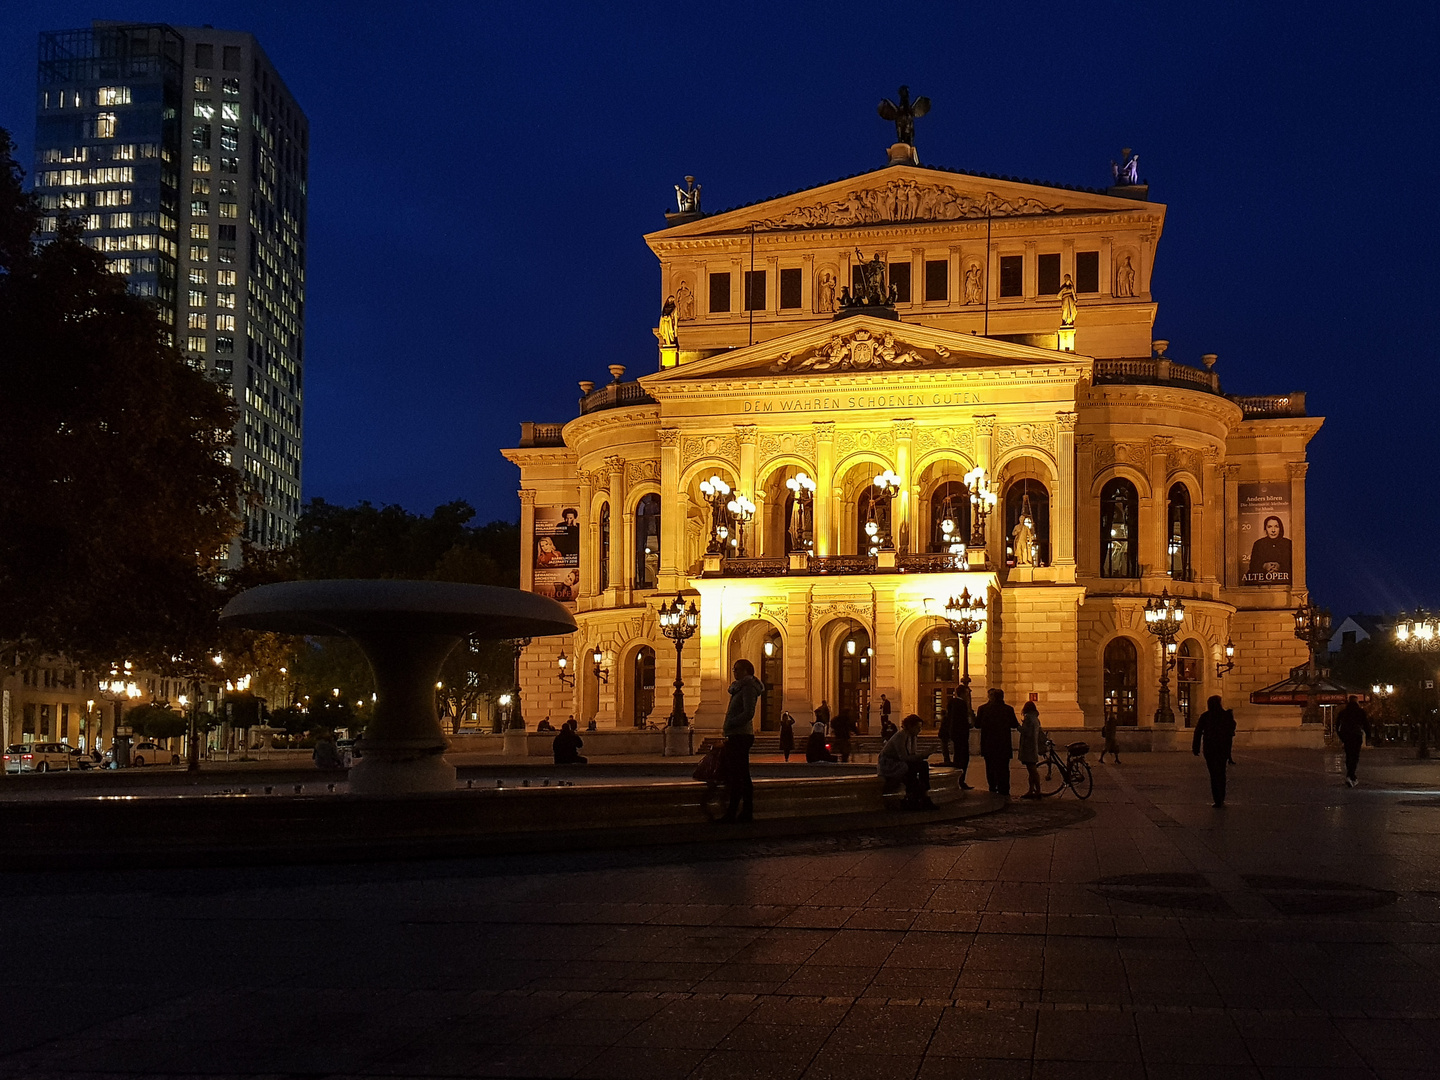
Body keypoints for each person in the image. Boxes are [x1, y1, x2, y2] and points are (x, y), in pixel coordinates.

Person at [718, 658, 764, 822]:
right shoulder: (740, 688)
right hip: (736, 734)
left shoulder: (748, 688)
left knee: (740, 775)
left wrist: (731, 722)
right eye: (734, 669)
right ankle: (741, 811)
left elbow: (748, 712)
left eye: (737, 669)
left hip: (741, 735)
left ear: (746, 671)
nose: (734, 672)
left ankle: (739, 812)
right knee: (739, 774)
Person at [879, 714, 935, 810]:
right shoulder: (901, 735)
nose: (919, 731)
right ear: (910, 726)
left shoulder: (912, 737)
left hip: (900, 762)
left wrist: (924, 755)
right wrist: (923, 755)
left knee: (922, 765)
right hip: (890, 764)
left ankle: (921, 796)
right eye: (917, 728)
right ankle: (920, 797)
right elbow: (904, 757)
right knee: (913, 770)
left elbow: (912, 755)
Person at [975, 687, 1021, 797]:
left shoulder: (983, 709)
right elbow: (1014, 724)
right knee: (1004, 768)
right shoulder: (1008, 709)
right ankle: (1004, 789)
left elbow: (977, 725)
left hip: (988, 744)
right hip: (1003, 744)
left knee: (990, 767)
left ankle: (992, 787)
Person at [1192, 695, 1237, 806]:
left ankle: (1217, 798)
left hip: (1210, 748)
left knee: (1213, 774)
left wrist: (1195, 747)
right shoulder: (1226, 715)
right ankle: (1221, 797)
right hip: (1223, 748)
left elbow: (1198, 732)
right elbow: (1231, 732)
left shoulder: (1206, 716)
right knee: (1221, 772)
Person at [1336, 695, 1372, 787]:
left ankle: (1350, 775)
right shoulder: (1360, 712)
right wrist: (1368, 736)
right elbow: (1366, 724)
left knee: (1348, 755)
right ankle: (1351, 775)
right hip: (1356, 735)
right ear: (1356, 702)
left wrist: (1341, 736)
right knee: (1355, 756)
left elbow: (1337, 725)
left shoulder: (1343, 712)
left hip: (1346, 735)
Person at [1246, 516, 1292, 583]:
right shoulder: (1258, 544)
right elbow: (1253, 566)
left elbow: (1293, 567)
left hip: (1283, 581)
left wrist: (1280, 567)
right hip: (1262, 582)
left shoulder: (1288, 543)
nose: (1273, 530)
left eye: (1276, 526)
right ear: (1265, 529)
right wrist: (1264, 566)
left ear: (1280, 528)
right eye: (1269, 527)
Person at [1018, 701, 1046, 799]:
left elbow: (1026, 732)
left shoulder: (1028, 718)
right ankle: (1032, 790)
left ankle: (1037, 790)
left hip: (1028, 747)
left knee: (1032, 770)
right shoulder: (1036, 719)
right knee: (1031, 770)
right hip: (1033, 747)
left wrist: (1018, 727)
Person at [938, 690, 958, 766]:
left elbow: (943, 726)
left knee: (945, 748)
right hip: (947, 733)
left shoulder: (946, 718)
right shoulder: (949, 717)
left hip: (946, 734)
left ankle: (947, 759)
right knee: (946, 747)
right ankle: (948, 759)